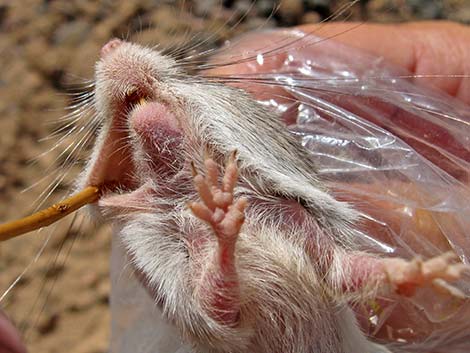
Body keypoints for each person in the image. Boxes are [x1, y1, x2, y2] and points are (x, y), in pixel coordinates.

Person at [1, 21, 469, 353]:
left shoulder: (284, 203)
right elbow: (223, 322)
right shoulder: (160, 233)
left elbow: (337, 270)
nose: (110, 47)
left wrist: (400, 273)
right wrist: (220, 247)